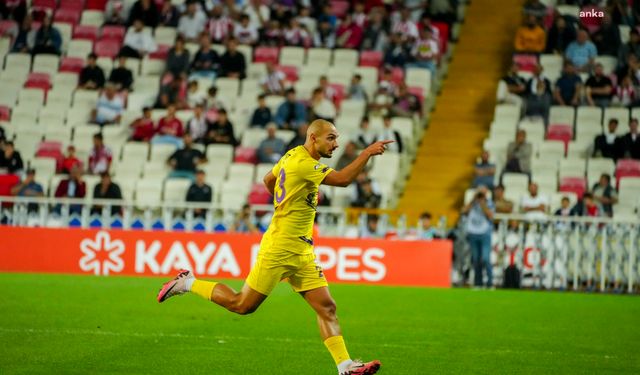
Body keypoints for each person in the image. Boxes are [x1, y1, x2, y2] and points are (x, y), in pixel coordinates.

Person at [157, 119, 388, 375]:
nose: (336, 143)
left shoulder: (292, 155)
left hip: (302, 250)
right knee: (242, 305)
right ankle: (186, 282)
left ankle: (345, 367)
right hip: (280, 247)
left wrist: (283, 201)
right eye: (331, 138)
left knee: (327, 307)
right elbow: (344, 179)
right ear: (313, 137)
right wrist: (367, 153)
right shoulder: (303, 164)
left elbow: (269, 180)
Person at [461, 186, 495, 288]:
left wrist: (482, 204)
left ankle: (490, 282)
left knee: (485, 258)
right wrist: (473, 199)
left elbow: (490, 215)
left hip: (485, 233)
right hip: (473, 233)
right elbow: (463, 211)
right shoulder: (472, 203)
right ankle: (478, 283)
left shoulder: (489, 203)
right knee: (476, 259)